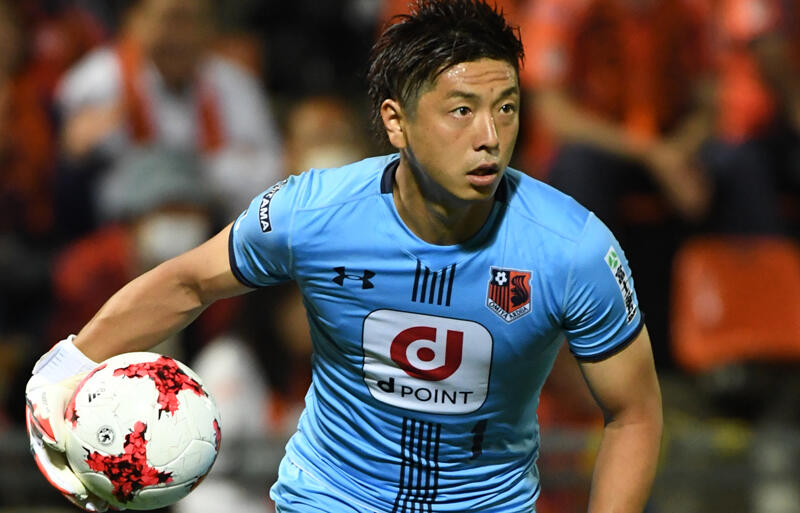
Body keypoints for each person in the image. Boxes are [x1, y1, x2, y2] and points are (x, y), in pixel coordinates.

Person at [25, 1, 662, 512]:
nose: (490, 137)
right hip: (329, 499)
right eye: (461, 111)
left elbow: (633, 414)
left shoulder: (573, 250)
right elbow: (189, 282)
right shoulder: (314, 213)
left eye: (507, 108)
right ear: (396, 121)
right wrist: (65, 366)